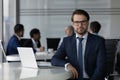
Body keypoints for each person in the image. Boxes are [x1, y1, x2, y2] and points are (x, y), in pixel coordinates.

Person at [51, 9, 106, 80]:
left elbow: (101, 68)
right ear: (73, 24)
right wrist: (67, 65)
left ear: (88, 22)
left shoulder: (99, 41)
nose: (80, 25)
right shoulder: (66, 41)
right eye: (77, 22)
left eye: (83, 22)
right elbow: (55, 59)